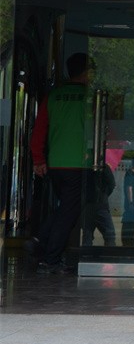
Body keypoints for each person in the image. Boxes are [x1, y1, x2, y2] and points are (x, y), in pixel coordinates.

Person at [29, 52, 95, 273]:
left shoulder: (54, 96)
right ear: (86, 72)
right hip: (80, 164)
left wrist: (39, 159)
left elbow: (39, 131)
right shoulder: (91, 98)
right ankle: (50, 259)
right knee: (68, 213)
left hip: (55, 163)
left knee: (64, 208)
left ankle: (39, 241)